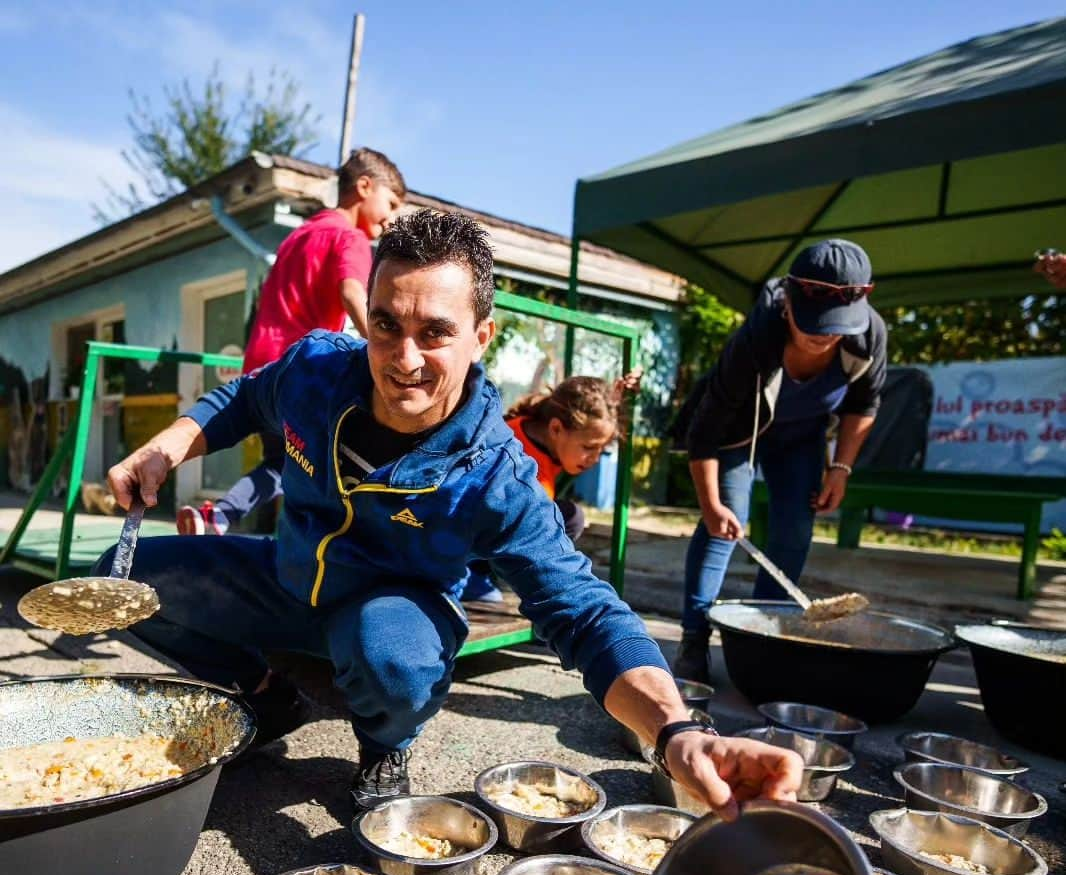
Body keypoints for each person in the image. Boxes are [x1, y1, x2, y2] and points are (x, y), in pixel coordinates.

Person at [96, 209, 802, 818]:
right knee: (113, 585)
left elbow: (584, 611)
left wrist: (674, 730)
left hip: (389, 608)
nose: (403, 359)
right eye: (386, 324)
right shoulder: (317, 370)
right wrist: (165, 449)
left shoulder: (498, 476)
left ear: (480, 336)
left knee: (389, 660)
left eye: (434, 332)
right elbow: (247, 398)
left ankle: (385, 748)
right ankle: (267, 695)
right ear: (365, 315)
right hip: (287, 577)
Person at [673, 239, 886, 684]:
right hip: (735, 436)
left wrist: (840, 468)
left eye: (836, 327)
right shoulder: (755, 339)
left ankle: (765, 638)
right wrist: (711, 504)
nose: (825, 335)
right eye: (814, 324)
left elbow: (863, 406)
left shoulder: (869, 337)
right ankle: (694, 637)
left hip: (802, 438)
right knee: (726, 526)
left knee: (795, 531)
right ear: (788, 302)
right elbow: (705, 430)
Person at [176, 147, 406, 535]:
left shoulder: (300, 234)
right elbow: (354, 293)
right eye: (392, 202)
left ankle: (217, 517)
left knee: (283, 461)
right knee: (326, 459)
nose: (393, 216)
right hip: (304, 369)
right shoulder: (348, 238)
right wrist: (387, 350)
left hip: (263, 365)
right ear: (365, 187)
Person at [462, 372, 641, 602]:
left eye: (601, 449)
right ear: (556, 429)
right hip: (466, 529)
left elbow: (589, 408)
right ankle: (473, 572)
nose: (595, 458)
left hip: (494, 528)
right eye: (589, 447)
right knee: (567, 517)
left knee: (563, 514)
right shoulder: (513, 448)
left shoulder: (547, 442)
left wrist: (618, 397)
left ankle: (496, 573)